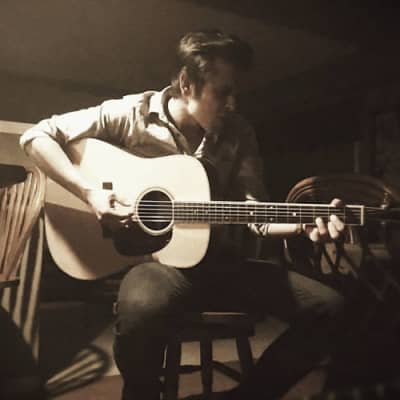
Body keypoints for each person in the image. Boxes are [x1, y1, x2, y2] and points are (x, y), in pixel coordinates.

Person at [21, 30, 347, 400]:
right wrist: (89, 192)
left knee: (330, 308)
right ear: (186, 83)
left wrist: (303, 225)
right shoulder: (132, 113)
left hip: (222, 262)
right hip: (158, 267)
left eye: (237, 93)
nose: (232, 104)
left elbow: (255, 215)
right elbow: (36, 137)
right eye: (223, 92)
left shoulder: (239, 132)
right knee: (141, 307)